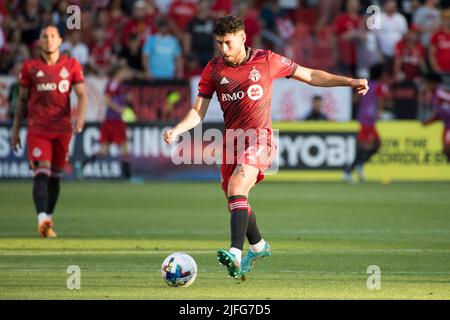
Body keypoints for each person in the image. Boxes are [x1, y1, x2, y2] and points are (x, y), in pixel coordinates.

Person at [163, 16, 369, 279]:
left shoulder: (267, 60)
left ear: (242, 38)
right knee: (235, 199)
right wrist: (177, 130)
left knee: (237, 188)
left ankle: (235, 254)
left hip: (260, 140)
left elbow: (310, 75)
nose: (223, 49)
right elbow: (198, 111)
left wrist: (350, 82)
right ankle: (258, 246)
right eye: (219, 43)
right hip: (231, 143)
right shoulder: (213, 69)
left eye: (228, 42)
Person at [9, 24, 87, 238]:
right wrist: (15, 130)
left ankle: (48, 219)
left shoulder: (71, 65)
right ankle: (42, 218)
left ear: (60, 40)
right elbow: (22, 100)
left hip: (62, 130)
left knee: (55, 178)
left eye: (53, 36)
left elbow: (82, 94)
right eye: (45, 36)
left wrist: (79, 117)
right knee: (41, 174)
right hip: (38, 129)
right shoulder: (30, 67)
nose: (49, 40)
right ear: (40, 41)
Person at [75, 66, 135, 180]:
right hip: (114, 121)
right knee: (124, 148)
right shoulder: (114, 83)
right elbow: (107, 99)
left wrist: (126, 100)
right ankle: (128, 177)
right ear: (119, 72)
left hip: (109, 121)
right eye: (125, 72)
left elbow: (114, 98)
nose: (127, 74)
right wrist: (119, 109)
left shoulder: (119, 85)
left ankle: (81, 164)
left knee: (104, 150)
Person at [343, 64, 390, 184]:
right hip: (369, 120)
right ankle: (348, 172)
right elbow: (380, 102)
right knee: (365, 146)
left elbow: (355, 99)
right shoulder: (379, 86)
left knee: (376, 144)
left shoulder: (366, 84)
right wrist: (378, 113)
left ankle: (358, 165)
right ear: (380, 74)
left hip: (363, 118)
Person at [422, 74, 450, 163]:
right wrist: (429, 122)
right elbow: (439, 114)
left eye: (426, 83)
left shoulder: (441, 94)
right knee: (446, 152)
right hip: (447, 126)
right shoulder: (434, 95)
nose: (424, 85)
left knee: (447, 149)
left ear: (432, 83)